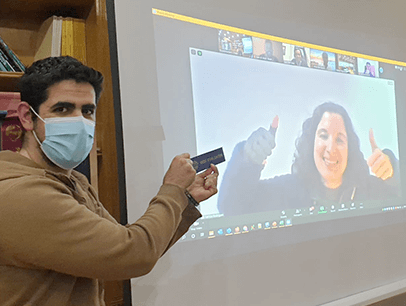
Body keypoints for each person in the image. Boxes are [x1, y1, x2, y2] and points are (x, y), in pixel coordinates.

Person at [0, 56, 219, 305]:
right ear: (27, 117)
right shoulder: (23, 193)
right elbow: (134, 254)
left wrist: (185, 198)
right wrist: (172, 189)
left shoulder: (73, 180)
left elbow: (123, 248)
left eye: (87, 111)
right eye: (62, 109)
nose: (79, 122)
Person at [217, 102, 399, 216]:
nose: (331, 148)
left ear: (350, 148)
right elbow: (231, 207)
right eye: (323, 135)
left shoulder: (372, 190)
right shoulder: (286, 190)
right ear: (311, 143)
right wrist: (247, 160)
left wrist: (394, 173)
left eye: (340, 139)